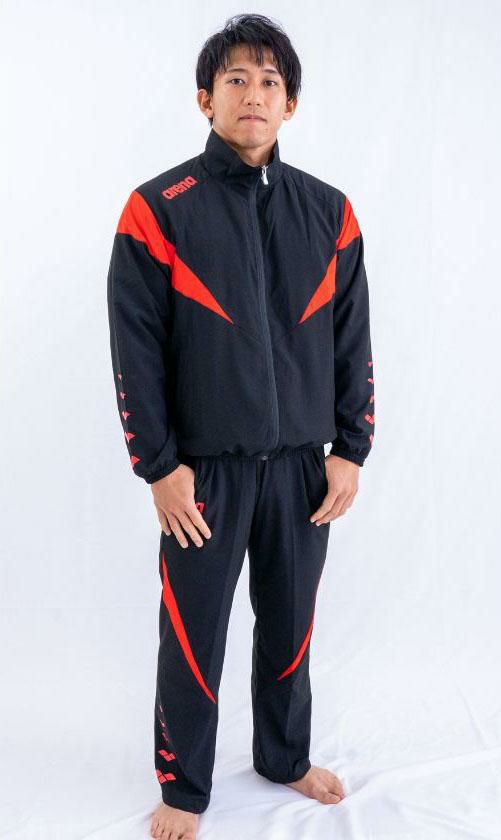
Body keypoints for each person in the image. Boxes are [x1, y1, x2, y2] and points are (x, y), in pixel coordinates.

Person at [106, 13, 375, 840]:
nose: (252, 94)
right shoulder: (157, 210)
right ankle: (184, 787)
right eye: (235, 80)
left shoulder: (329, 212)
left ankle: (284, 757)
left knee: (290, 626)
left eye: (269, 81)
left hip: (302, 469)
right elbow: (134, 347)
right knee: (194, 636)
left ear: (290, 104)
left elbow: (353, 338)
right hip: (202, 474)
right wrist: (159, 466)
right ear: (206, 98)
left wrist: (351, 449)